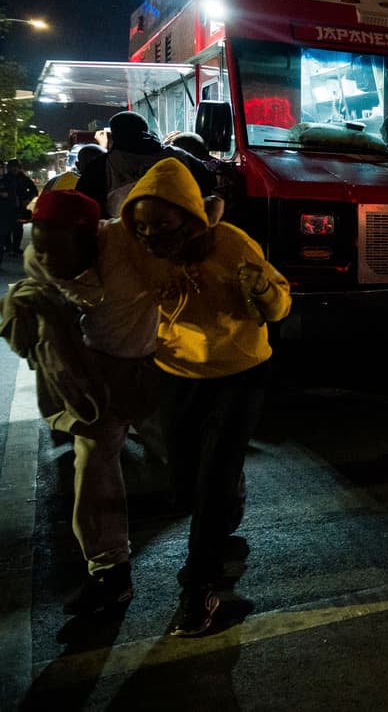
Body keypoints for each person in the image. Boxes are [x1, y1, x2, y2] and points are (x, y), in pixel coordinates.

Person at [121, 158, 291, 635]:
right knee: (183, 480)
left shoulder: (232, 244)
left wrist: (261, 290)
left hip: (239, 374)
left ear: (189, 217)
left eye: (163, 224)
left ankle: (201, 589)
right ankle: (227, 494)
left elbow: (279, 302)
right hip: (175, 372)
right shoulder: (135, 247)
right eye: (143, 226)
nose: (152, 235)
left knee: (211, 480)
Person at [1, 191, 163, 616]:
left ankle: (225, 508)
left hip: (151, 363)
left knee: (187, 454)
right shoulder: (40, 260)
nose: (48, 259)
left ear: (89, 239)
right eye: (41, 246)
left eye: (59, 249)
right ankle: (110, 570)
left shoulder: (129, 250)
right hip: (95, 375)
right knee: (93, 467)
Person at [76, 111, 216, 217]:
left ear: (115, 135)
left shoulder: (101, 166)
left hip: (124, 240)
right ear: (146, 130)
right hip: (176, 232)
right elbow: (209, 183)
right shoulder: (179, 156)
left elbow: (84, 206)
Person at [1, 159, 39, 259]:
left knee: (18, 228)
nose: (14, 169)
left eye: (16, 166)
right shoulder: (4, 179)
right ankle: (8, 248)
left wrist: (27, 199)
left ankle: (15, 248)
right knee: (6, 229)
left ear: (18, 168)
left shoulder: (23, 179)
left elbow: (34, 190)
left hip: (19, 207)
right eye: (12, 167)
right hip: (6, 207)